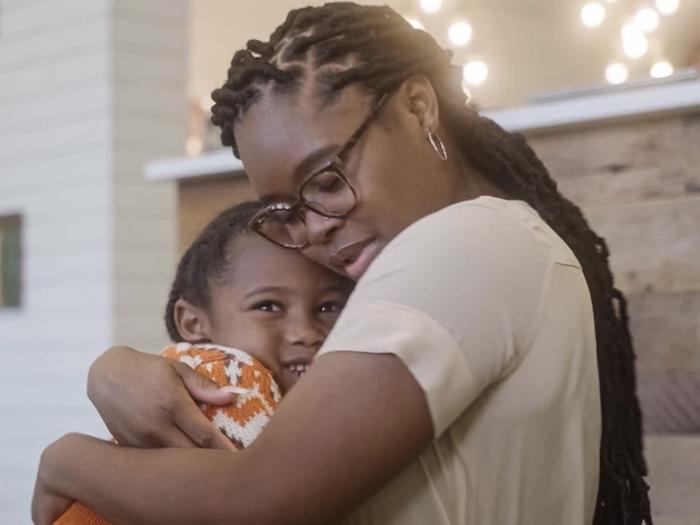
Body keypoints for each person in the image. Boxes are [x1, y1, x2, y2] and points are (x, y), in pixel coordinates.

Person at [32, 3, 652, 524]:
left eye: (326, 178)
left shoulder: (464, 241)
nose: (317, 229)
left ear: (417, 107)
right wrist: (118, 368)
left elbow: (259, 499)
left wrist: (66, 460)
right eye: (285, 210)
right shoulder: (500, 243)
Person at [49, 201, 353, 524]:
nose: (306, 333)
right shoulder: (230, 388)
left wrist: (67, 461)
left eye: (328, 307)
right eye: (268, 306)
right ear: (193, 323)